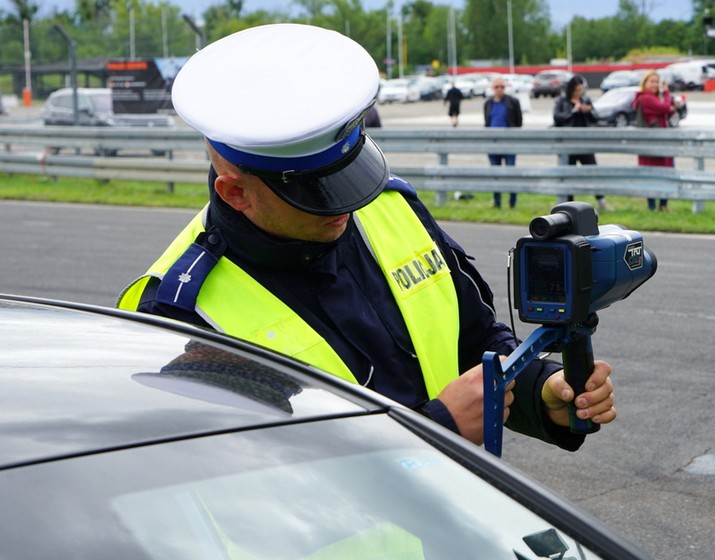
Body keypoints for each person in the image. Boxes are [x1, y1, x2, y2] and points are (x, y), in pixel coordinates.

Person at [117, 23, 617, 451]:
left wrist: (542, 389)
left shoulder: (390, 208)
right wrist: (435, 429)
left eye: (348, 178)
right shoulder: (184, 311)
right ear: (236, 193)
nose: (347, 206)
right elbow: (248, 481)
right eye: (317, 195)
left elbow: (477, 343)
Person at [553, 75, 608, 210]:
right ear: (571, 89)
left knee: (593, 172)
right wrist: (573, 111)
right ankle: (568, 204)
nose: (579, 93)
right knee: (568, 175)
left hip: (585, 143)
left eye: (581, 90)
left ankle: (601, 201)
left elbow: (596, 118)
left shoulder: (586, 100)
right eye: (577, 90)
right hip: (568, 144)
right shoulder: (562, 101)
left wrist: (588, 111)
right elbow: (557, 118)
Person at [633, 70, 681, 212]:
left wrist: (668, 102)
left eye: (657, 82)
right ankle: (654, 206)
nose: (655, 84)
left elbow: (668, 111)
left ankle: (662, 206)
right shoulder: (646, 98)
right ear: (645, 83)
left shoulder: (652, 97)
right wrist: (666, 94)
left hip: (659, 142)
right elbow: (665, 107)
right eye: (652, 81)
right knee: (653, 175)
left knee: (663, 173)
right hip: (652, 143)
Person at [483, 76, 523, 209]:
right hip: (493, 145)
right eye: (496, 87)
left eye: (502, 87)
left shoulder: (513, 101)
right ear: (492, 88)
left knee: (511, 174)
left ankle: (513, 202)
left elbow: (518, 122)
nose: (499, 89)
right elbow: (487, 123)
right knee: (495, 175)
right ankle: (497, 202)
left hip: (509, 144)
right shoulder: (488, 103)